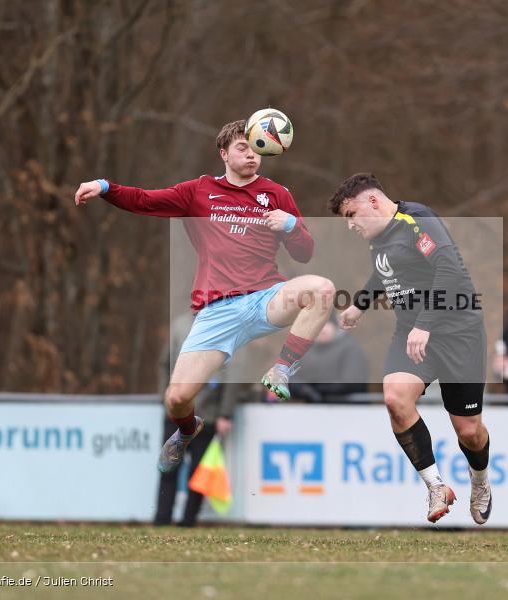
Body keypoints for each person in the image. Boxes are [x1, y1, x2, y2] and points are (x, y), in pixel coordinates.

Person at [74, 120, 335, 474]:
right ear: (224, 154)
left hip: (265, 298)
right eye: (243, 147)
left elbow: (305, 253)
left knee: (322, 289)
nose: (251, 154)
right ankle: (186, 430)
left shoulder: (277, 194)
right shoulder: (199, 191)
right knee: (177, 398)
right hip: (217, 311)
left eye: (257, 148)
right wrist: (104, 186)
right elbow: (144, 201)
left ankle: (282, 369)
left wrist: (291, 227)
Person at [330, 173, 492, 525]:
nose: (350, 226)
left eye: (350, 215)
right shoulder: (379, 238)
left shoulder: (417, 220)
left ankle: (479, 479)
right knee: (394, 398)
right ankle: (436, 485)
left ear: (373, 202)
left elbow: (447, 268)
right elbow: (385, 272)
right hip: (413, 334)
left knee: (469, 431)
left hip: (458, 333)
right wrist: (360, 303)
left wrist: (425, 323)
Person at [154, 313, 234, 527]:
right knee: (168, 467)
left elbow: (231, 375)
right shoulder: (180, 326)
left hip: (207, 415)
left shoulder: (227, 324)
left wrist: (225, 413)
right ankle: (162, 519)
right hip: (176, 414)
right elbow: (165, 363)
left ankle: (188, 522)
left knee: (199, 473)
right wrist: (166, 396)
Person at [288, 315, 369, 403]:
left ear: (335, 326)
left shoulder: (350, 348)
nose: (322, 329)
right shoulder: (305, 350)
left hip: (348, 408)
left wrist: (318, 389)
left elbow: (351, 383)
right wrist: (304, 390)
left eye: (327, 324)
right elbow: (292, 378)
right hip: (315, 409)